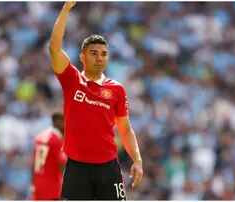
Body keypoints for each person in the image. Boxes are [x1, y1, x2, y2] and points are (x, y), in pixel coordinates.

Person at [48, 1, 143, 200]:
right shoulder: (72, 79)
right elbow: (54, 48)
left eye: (104, 54)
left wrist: (137, 159)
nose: (100, 58)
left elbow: (125, 128)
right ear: (82, 57)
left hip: (108, 167)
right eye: (94, 53)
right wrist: (66, 9)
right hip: (77, 167)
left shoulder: (116, 89)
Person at [30, 112, 67, 200]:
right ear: (58, 122)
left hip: (38, 185)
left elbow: (33, 163)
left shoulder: (40, 136)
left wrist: (33, 183)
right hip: (52, 187)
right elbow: (62, 166)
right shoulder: (56, 140)